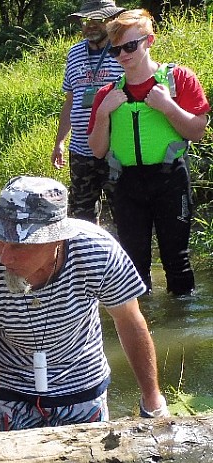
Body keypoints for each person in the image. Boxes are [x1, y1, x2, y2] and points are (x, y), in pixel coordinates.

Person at [0, 176, 168, 433]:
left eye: (18, 245)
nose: (4, 256)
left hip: (82, 382)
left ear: (56, 240)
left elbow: (129, 321)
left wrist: (153, 401)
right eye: (0, 238)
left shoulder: (97, 252)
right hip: (12, 389)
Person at [88, 9, 210, 296]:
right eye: (116, 50)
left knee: (176, 260)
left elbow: (197, 132)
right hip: (127, 184)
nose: (123, 55)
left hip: (170, 179)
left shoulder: (178, 79)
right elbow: (97, 150)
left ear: (149, 41)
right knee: (133, 263)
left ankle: (180, 329)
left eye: (130, 46)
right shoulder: (107, 94)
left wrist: (168, 106)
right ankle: (143, 325)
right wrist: (104, 114)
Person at [53, 0, 126, 225]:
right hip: (81, 150)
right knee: (81, 216)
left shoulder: (123, 50)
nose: (90, 25)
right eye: (85, 20)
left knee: (124, 213)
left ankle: (125, 259)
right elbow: (70, 100)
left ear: (111, 20)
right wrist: (60, 142)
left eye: (97, 19)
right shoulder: (74, 53)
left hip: (117, 149)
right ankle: (87, 258)